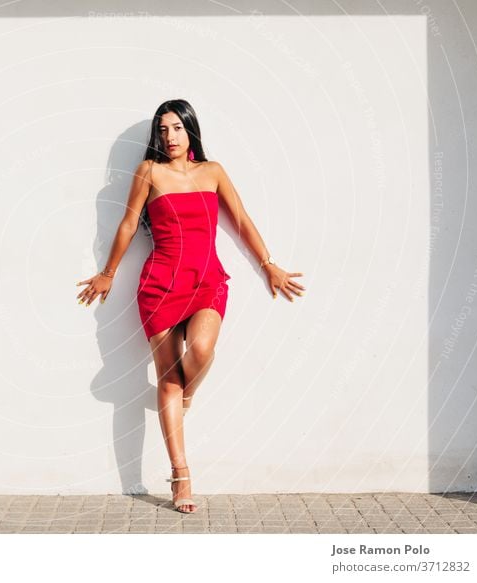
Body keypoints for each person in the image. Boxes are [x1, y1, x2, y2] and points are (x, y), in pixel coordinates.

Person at [76, 99, 305, 513]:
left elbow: (242, 220)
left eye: (177, 128)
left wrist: (269, 264)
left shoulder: (212, 172)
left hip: (206, 281)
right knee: (168, 377)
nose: (170, 137)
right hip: (160, 284)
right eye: (162, 130)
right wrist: (107, 271)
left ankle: (186, 393)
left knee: (201, 351)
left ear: (190, 129)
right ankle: (181, 476)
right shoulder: (149, 172)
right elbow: (129, 223)